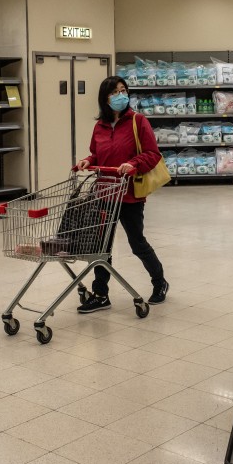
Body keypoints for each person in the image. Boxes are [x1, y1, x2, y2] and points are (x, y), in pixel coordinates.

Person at [75, 76, 169, 312]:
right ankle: (100, 294)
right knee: (101, 247)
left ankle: (160, 283)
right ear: (105, 98)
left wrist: (133, 163)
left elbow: (152, 153)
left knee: (137, 243)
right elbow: (96, 154)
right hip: (104, 193)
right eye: (115, 92)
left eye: (124, 91)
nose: (121, 95)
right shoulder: (100, 126)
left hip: (129, 195)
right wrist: (87, 161)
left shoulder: (138, 121)